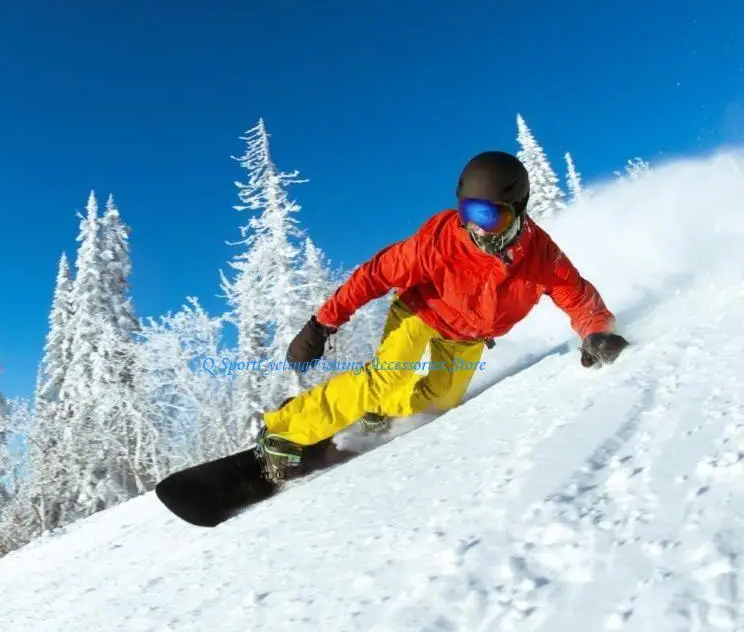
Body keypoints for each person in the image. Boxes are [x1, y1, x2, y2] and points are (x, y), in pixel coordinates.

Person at [254, 151, 628, 482]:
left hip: (468, 336)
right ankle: (285, 430)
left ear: (518, 209)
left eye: (489, 216)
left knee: (441, 400)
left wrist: (596, 331)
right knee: (388, 377)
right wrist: (322, 324)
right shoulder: (439, 241)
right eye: (470, 213)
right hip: (422, 312)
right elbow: (374, 275)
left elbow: (576, 295)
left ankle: (377, 411)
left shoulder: (541, 255)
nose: (478, 227)